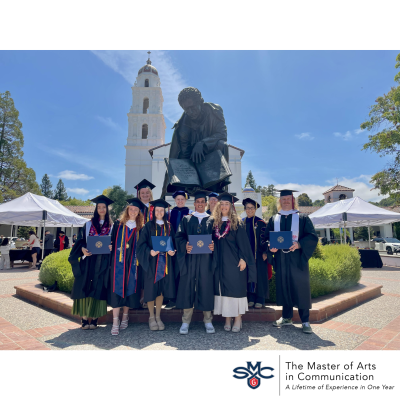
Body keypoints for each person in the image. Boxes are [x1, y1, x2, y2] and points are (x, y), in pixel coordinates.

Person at [261, 189, 318, 334]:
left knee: (301, 288)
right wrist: (270, 247)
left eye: (288, 199)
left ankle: (305, 320)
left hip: (297, 259)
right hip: (281, 259)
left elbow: (311, 236)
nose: (286, 201)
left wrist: (299, 244)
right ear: (279, 201)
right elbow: (266, 238)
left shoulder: (302, 218)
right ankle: (286, 317)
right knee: (284, 286)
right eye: (283, 199)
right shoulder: (275, 219)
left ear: (293, 200)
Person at [161, 87, 230, 198]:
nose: (190, 112)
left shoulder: (214, 111)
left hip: (210, 156)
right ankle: (193, 186)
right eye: (186, 109)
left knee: (223, 145)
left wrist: (202, 143)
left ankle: (217, 185)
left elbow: (222, 135)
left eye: (192, 107)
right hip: (191, 161)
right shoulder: (182, 127)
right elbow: (176, 157)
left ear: (200, 102)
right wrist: (164, 193)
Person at [212, 193, 256, 332]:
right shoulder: (215, 223)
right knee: (224, 290)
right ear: (218, 206)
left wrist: (244, 258)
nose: (224, 206)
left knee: (236, 289)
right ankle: (227, 318)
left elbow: (244, 244)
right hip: (220, 263)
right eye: (222, 204)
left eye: (226, 204)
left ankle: (237, 318)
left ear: (231, 207)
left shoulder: (237, 222)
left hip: (235, 262)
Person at [68, 195, 114, 330]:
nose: (101, 209)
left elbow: (115, 242)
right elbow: (80, 242)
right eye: (99, 207)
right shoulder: (88, 224)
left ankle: (94, 318)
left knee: (99, 287)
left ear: (107, 209)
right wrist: (82, 249)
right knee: (84, 285)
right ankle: (83, 318)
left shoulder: (112, 226)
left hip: (103, 262)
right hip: (88, 261)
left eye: (103, 207)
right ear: (96, 209)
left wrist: (111, 246)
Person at [175, 190, 216, 334]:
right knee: (187, 287)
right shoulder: (187, 219)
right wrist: (184, 245)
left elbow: (217, 239)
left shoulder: (212, 220)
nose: (200, 204)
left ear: (206, 204)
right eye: (197, 202)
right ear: (194, 204)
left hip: (205, 260)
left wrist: (213, 246)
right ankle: (185, 321)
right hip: (190, 259)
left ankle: (208, 320)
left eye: (202, 202)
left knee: (206, 286)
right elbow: (179, 237)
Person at [137, 199, 177, 330]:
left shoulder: (169, 226)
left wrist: (172, 251)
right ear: (153, 212)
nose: (159, 212)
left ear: (164, 212)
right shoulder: (148, 226)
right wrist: (150, 252)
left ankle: (158, 316)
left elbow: (173, 243)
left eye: (162, 210)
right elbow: (141, 245)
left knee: (160, 291)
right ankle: (151, 317)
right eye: (157, 210)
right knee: (150, 290)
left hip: (164, 264)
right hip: (152, 263)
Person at [108, 197, 145, 335]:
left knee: (130, 289)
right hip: (118, 263)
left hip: (133, 264)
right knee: (117, 290)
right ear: (127, 210)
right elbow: (110, 241)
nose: (133, 211)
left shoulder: (141, 227)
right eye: (131, 209)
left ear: (139, 212)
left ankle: (125, 317)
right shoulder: (118, 224)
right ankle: (115, 321)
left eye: (136, 209)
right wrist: (109, 246)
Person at [164, 190, 192, 310]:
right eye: (178, 199)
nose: (180, 201)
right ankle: (172, 299)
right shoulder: (168, 213)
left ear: (185, 200)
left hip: (185, 247)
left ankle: (183, 298)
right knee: (171, 273)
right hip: (171, 247)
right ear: (174, 200)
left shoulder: (190, 213)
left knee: (183, 272)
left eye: (182, 199)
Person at [242, 197, 271, 309]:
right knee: (248, 276)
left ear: (255, 209)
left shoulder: (261, 223)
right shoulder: (242, 222)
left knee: (259, 276)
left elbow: (266, 238)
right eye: (248, 208)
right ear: (245, 209)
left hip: (259, 255)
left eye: (252, 208)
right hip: (246, 256)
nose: (250, 210)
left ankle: (260, 299)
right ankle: (251, 298)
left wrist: (265, 252)